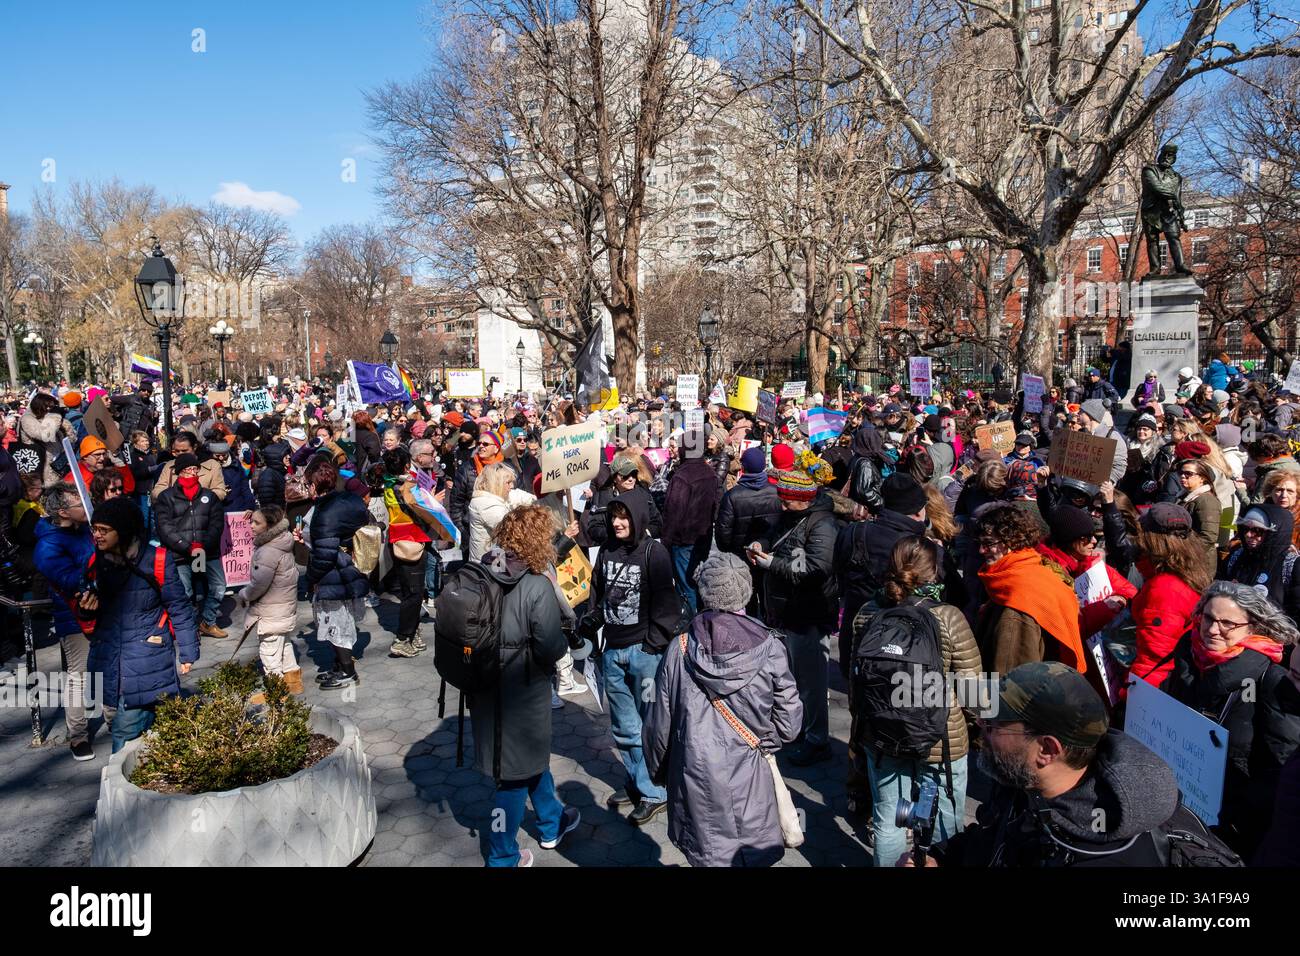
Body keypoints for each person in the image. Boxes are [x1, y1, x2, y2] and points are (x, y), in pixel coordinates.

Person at [902, 662, 1185, 867]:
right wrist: (939, 858)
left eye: (996, 724)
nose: (980, 725)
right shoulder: (1023, 781)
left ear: (1047, 750)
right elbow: (988, 838)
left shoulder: (1105, 856)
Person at [642, 552, 802, 867]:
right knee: (752, 850)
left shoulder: (681, 648)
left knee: (709, 852)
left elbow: (658, 723)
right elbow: (790, 718)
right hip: (752, 767)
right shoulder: (770, 647)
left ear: (704, 593)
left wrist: (661, 772)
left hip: (696, 771)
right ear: (748, 590)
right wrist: (767, 742)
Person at [851, 536, 980, 868]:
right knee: (944, 826)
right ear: (934, 571)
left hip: (881, 735)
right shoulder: (949, 617)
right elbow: (974, 693)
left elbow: (856, 679)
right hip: (940, 739)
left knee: (889, 820)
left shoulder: (868, 613)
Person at [1161, 581, 1300, 858]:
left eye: (1228, 624)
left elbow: (1280, 762)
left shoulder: (1269, 680)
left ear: (1252, 627)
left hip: (1233, 827)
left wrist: (1240, 809)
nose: (1213, 629)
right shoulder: (1188, 659)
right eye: (1209, 618)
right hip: (1182, 809)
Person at [473, 506, 577, 867]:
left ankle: (551, 822)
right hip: (523, 688)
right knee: (512, 778)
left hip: (485, 687)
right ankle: (502, 855)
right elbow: (550, 644)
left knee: (524, 759)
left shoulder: (484, 573)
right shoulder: (536, 585)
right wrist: (565, 651)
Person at [82, 496, 199, 753]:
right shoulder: (95, 563)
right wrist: (86, 612)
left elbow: (178, 606)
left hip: (148, 655)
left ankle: (120, 788)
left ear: (122, 531)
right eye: (95, 529)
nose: (97, 536)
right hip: (112, 658)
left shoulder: (157, 559)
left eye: (104, 530)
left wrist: (189, 651)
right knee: (150, 724)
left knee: (125, 732)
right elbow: (92, 623)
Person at [590, 497, 680, 825]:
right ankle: (637, 780)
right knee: (624, 726)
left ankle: (656, 791)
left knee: (650, 724)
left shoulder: (654, 553)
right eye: (614, 517)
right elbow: (597, 593)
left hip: (644, 654)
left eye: (624, 517)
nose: (617, 523)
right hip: (612, 652)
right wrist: (591, 621)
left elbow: (667, 604)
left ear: (638, 518)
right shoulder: (606, 551)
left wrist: (652, 645)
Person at [749, 471, 838, 766]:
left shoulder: (822, 524)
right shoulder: (791, 515)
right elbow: (774, 533)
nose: (782, 506)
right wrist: (761, 544)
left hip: (808, 612)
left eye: (787, 503)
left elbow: (816, 569)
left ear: (803, 501)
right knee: (793, 677)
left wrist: (772, 563)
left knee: (812, 682)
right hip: (785, 610)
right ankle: (798, 728)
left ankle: (817, 739)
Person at [973, 503, 1086, 675]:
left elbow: (1010, 678)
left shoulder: (1017, 600)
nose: (981, 550)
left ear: (1012, 540)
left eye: (988, 543)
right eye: (980, 543)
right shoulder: (1034, 567)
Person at [31, 483, 97, 761]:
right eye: (79, 503)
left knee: (110, 664)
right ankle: (78, 735)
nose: (86, 505)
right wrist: (96, 567)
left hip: (104, 607)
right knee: (79, 676)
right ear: (62, 512)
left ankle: (118, 718)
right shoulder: (48, 544)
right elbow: (68, 578)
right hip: (74, 616)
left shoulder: (86, 530)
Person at [836, 472, 930, 661]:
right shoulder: (925, 548)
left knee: (857, 684)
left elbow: (838, 573)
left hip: (856, 632)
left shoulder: (852, 531)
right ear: (919, 511)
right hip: (905, 641)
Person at [1126, 503, 1213, 691]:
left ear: (1151, 540)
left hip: (1155, 689)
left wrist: (1130, 695)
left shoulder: (1164, 588)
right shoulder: (1188, 572)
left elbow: (1154, 658)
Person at [304, 461, 371, 688]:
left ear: (315, 485)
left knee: (336, 621)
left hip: (335, 573)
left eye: (308, 484)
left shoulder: (324, 512)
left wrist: (310, 578)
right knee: (341, 620)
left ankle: (347, 672)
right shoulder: (349, 499)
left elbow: (324, 555)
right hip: (351, 567)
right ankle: (339, 666)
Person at [235, 505, 303, 697]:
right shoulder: (283, 541)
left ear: (270, 526)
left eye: (257, 523)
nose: (251, 526)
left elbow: (259, 585)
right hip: (284, 607)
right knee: (284, 643)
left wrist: (244, 595)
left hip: (271, 610)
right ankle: (293, 681)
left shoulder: (267, 552)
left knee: (270, 650)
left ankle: (276, 692)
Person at [660, 426, 719, 615]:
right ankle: (702, 617)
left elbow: (673, 513)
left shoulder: (682, 476)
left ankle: (692, 626)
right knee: (699, 580)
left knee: (686, 586)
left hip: (683, 541)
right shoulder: (709, 472)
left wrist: (666, 541)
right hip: (703, 537)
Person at [713, 445, 780, 563]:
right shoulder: (776, 491)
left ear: (743, 467)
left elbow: (723, 532)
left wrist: (729, 551)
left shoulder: (732, 495)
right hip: (767, 556)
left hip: (738, 558)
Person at [467, 460, 537, 562]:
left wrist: (539, 500)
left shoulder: (498, 495)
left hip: (496, 560)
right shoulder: (485, 504)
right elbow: (513, 531)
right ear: (496, 484)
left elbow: (519, 496)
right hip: (487, 566)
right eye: (508, 483)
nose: (512, 486)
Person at [151, 430, 227, 502]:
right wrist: (173, 498)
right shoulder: (169, 466)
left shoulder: (212, 465)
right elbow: (157, 490)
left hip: (202, 510)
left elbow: (220, 491)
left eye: (184, 450)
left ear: (194, 447)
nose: (180, 453)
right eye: (177, 451)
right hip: (176, 511)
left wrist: (201, 498)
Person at [19, 392, 76, 485]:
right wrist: (55, 415)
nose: (50, 410)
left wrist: (65, 426)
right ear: (37, 406)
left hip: (58, 464)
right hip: (42, 469)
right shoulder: (27, 418)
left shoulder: (49, 418)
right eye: (48, 407)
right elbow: (46, 435)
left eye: (53, 407)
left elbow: (72, 439)